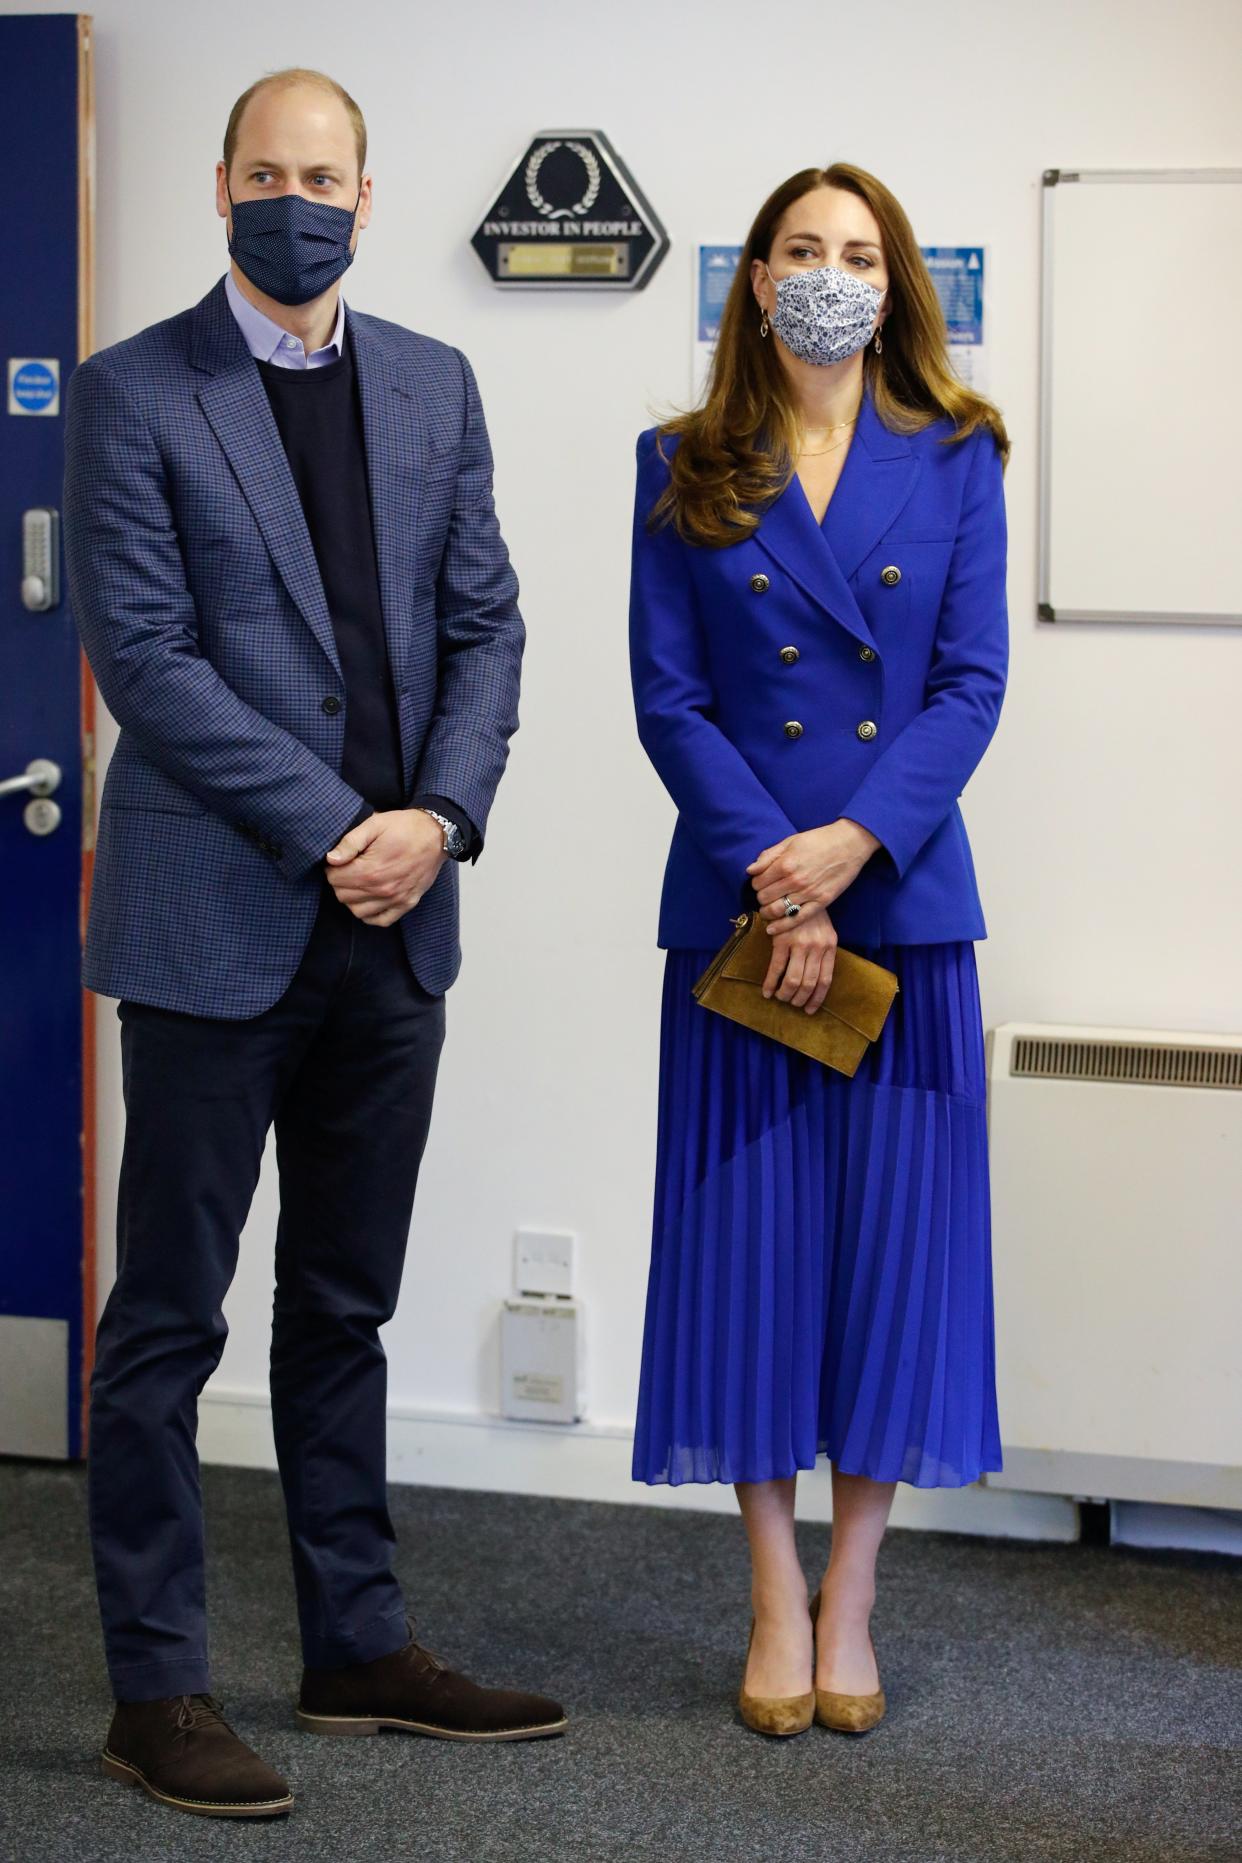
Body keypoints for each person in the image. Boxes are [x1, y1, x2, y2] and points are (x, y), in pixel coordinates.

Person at [63, 67, 566, 1821]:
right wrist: (335, 824)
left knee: (341, 1306)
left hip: (397, 925)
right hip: (219, 921)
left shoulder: (434, 382)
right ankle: (156, 1687)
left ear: (368, 191)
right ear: (221, 189)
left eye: (325, 173)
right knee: (166, 1324)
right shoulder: (138, 393)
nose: (298, 198)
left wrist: (435, 820)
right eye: (267, 172)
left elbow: (487, 625)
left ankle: (357, 1646)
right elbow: (145, 658)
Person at [627, 162, 1009, 1738]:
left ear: (894, 280)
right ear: (757, 275)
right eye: (803, 248)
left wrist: (851, 853)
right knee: (749, 1262)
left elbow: (969, 685)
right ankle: (771, 1595)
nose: (829, 273)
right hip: (740, 915)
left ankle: (851, 1598)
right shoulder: (680, 459)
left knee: (888, 1272)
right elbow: (668, 697)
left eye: (857, 252)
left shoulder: (959, 454)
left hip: (902, 914)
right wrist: (779, 886)